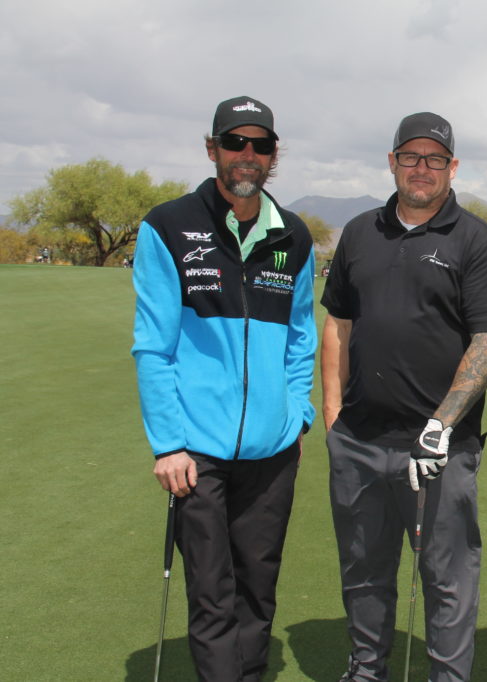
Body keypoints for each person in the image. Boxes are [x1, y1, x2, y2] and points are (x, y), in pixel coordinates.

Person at [320, 112, 487, 681]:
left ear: (452, 167)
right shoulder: (360, 232)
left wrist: (440, 425)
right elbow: (338, 326)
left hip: (439, 451)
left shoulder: (477, 240)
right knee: (363, 572)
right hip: (359, 442)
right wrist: (333, 416)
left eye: (434, 159)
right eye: (410, 156)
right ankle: (366, 671)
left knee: (447, 581)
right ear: (392, 162)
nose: (421, 168)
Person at [131, 96, 317, 681]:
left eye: (261, 144)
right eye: (235, 142)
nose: (247, 154)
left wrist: (297, 415)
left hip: (272, 451)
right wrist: (168, 444)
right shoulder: (168, 226)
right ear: (211, 148)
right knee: (213, 595)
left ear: (274, 154)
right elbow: (153, 347)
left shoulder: (294, 236)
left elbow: (301, 338)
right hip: (197, 452)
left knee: (258, 591)